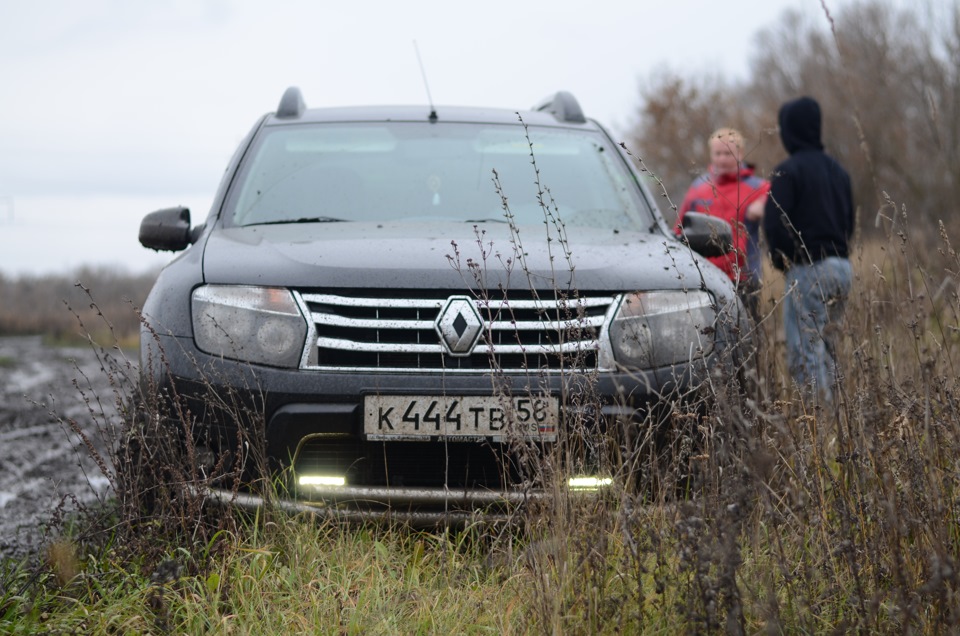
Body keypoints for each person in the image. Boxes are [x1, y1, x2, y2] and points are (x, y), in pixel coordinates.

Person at [763, 96, 855, 404]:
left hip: (809, 270)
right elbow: (849, 222)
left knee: (804, 355)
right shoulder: (838, 171)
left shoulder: (788, 172)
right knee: (826, 348)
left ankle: (820, 430)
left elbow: (775, 224)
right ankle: (841, 424)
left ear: (788, 130)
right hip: (842, 269)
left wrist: (783, 261)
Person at [675, 127, 769, 319]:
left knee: (747, 334)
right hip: (705, 277)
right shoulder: (698, 189)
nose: (722, 159)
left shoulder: (760, 188)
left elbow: (781, 216)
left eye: (728, 153)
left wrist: (764, 208)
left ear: (740, 154)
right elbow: (679, 228)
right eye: (718, 153)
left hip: (744, 278)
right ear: (711, 155)